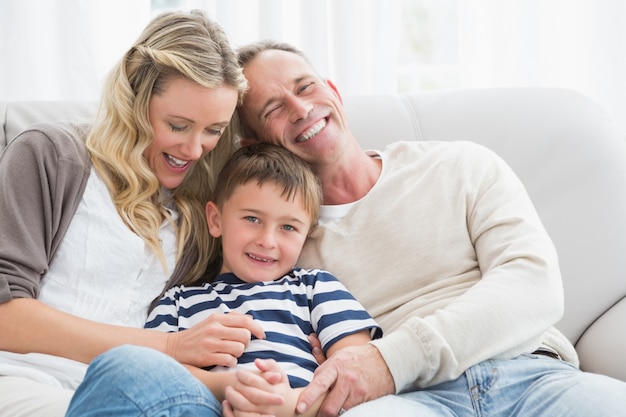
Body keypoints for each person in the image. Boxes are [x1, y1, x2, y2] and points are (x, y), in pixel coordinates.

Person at [220, 40, 626, 417]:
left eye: (306, 86)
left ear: (333, 91)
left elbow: (534, 286)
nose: (300, 108)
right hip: (406, 400)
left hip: (532, 373)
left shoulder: (460, 166)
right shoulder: (273, 246)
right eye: (273, 109)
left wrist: (389, 359)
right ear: (254, 146)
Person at [0, 10, 264, 417]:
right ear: (135, 97)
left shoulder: (200, 214)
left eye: (213, 131)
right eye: (177, 125)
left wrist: (233, 385)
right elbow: (6, 316)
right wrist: (171, 348)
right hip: (25, 380)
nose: (194, 150)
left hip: (144, 394)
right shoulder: (50, 155)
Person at [142, 143, 381, 417]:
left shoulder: (315, 288)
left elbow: (355, 373)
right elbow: (151, 370)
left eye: (288, 227)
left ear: (306, 236)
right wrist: (230, 388)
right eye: (252, 219)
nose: (267, 241)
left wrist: (283, 403)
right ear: (216, 219)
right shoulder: (179, 300)